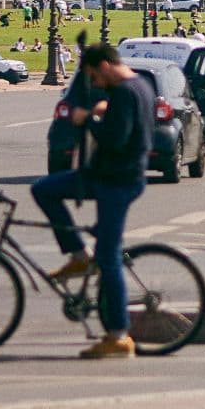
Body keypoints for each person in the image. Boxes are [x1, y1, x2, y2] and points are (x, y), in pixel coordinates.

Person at [30, 43, 155, 359]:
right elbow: (121, 123)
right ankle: (78, 254)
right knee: (43, 189)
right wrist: (103, 110)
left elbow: (115, 139)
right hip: (110, 177)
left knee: (109, 256)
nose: (96, 86)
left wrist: (87, 118)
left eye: (95, 79)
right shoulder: (139, 85)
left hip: (116, 180)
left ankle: (118, 336)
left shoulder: (126, 92)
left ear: (104, 66)